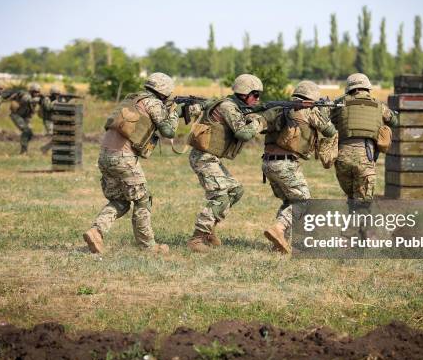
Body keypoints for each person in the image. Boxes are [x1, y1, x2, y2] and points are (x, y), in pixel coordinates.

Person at [84, 72, 183, 254]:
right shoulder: (152, 103)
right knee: (142, 200)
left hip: (105, 155)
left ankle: (96, 231)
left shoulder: (132, 99)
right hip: (123, 158)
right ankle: (148, 246)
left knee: (120, 201)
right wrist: (176, 112)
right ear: (165, 91)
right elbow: (168, 131)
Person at [186, 74, 268, 253]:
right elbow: (243, 133)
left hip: (210, 158)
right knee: (220, 196)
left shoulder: (234, 106)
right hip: (203, 157)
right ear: (244, 93)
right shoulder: (228, 106)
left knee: (236, 190)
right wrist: (260, 121)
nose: (258, 99)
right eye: (255, 95)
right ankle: (197, 238)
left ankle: (209, 230)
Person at [261, 81, 337, 253]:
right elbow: (330, 131)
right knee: (304, 202)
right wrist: (324, 112)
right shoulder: (308, 111)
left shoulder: (281, 108)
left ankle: (279, 243)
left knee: (290, 201)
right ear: (312, 99)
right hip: (285, 163)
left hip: (267, 162)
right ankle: (279, 229)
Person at [332, 73, 398, 217]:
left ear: (349, 88)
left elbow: (327, 119)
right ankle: (349, 237)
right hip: (365, 157)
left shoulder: (340, 103)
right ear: (367, 88)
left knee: (353, 200)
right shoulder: (379, 105)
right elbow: (394, 121)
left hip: (342, 157)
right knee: (362, 204)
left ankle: (359, 236)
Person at [10, 83, 41, 154]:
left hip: (25, 117)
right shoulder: (26, 95)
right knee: (26, 131)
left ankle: (24, 148)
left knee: (30, 133)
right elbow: (26, 100)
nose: (37, 94)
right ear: (31, 91)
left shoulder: (35, 98)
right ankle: (23, 150)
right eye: (35, 92)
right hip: (16, 115)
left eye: (38, 92)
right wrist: (37, 99)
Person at [39, 85, 60, 154]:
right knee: (54, 135)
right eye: (56, 94)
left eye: (58, 94)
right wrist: (55, 102)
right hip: (47, 120)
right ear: (52, 94)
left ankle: (45, 148)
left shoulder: (54, 100)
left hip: (53, 120)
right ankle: (44, 148)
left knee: (57, 136)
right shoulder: (46, 99)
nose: (57, 96)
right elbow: (48, 108)